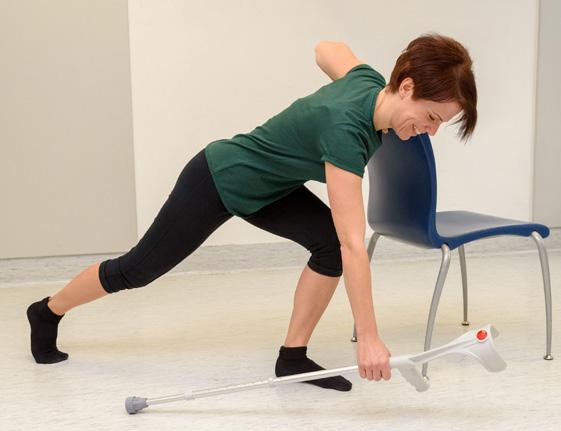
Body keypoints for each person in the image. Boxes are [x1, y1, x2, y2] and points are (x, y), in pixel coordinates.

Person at [26, 33, 477, 391]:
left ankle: (292, 358)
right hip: (222, 176)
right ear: (407, 87)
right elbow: (354, 242)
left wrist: (339, 70)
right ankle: (46, 312)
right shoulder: (346, 132)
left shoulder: (366, 82)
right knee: (138, 270)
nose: (430, 132)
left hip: (272, 189)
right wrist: (371, 337)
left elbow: (327, 47)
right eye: (433, 117)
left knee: (327, 251)